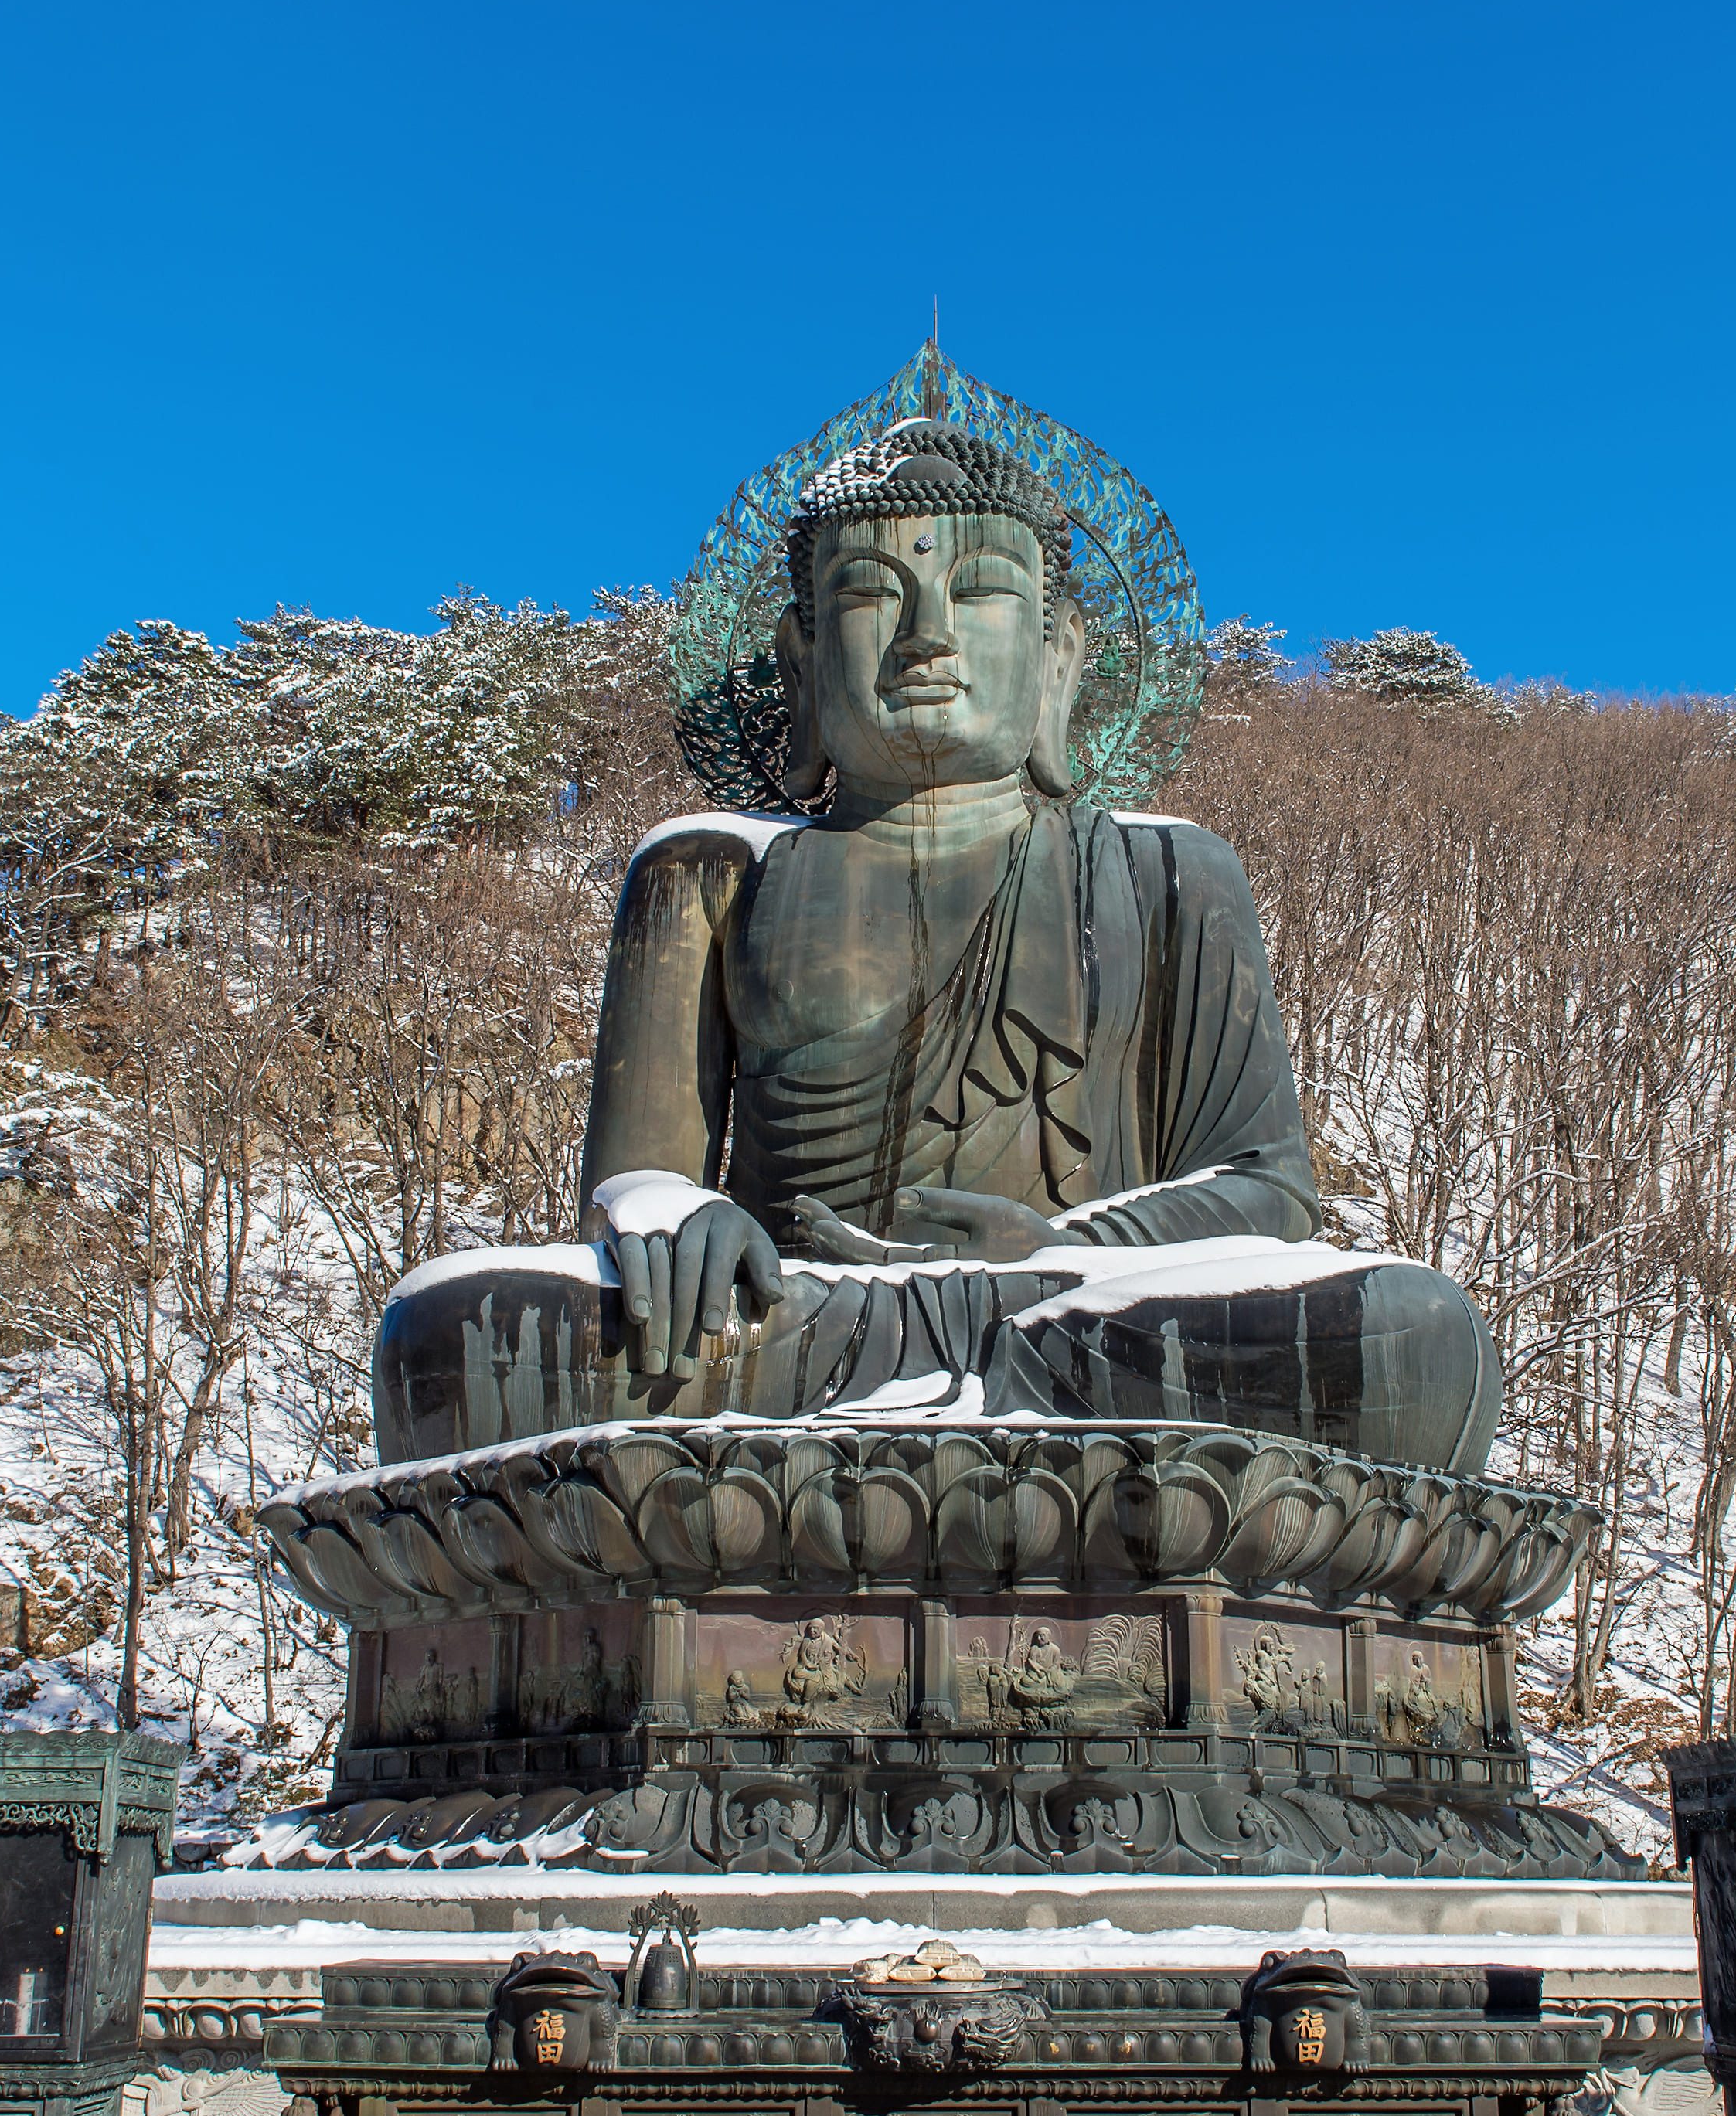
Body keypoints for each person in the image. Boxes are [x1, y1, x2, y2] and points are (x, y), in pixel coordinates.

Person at [373, 421, 1496, 1471]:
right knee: (448, 1341)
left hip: (1074, 1313)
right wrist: (675, 1219)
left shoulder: (1168, 872)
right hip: (795, 1324)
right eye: (871, 594)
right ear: (802, 659)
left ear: (1059, 656)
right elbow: (639, 1178)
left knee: (1416, 1338)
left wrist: (1068, 1245)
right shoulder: (710, 869)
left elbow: (1266, 1186)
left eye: (980, 591)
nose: (927, 636)